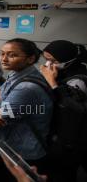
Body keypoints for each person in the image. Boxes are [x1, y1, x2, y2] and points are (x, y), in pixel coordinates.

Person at [0, 38, 53, 182]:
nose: (4, 59)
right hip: (12, 147)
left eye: (12, 55)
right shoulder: (16, 75)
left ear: (30, 59)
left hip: (23, 153)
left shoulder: (26, 87)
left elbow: (2, 116)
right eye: (1, 54)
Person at [39, 40, 87, 182]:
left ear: (68, 60)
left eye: (52, 60)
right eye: (46, 59)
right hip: (57, 135)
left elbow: (73, 109)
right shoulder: (60, 73)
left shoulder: (79, 80)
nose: (48, 64)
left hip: (70, 141)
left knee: (62, 174)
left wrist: (52, 83)